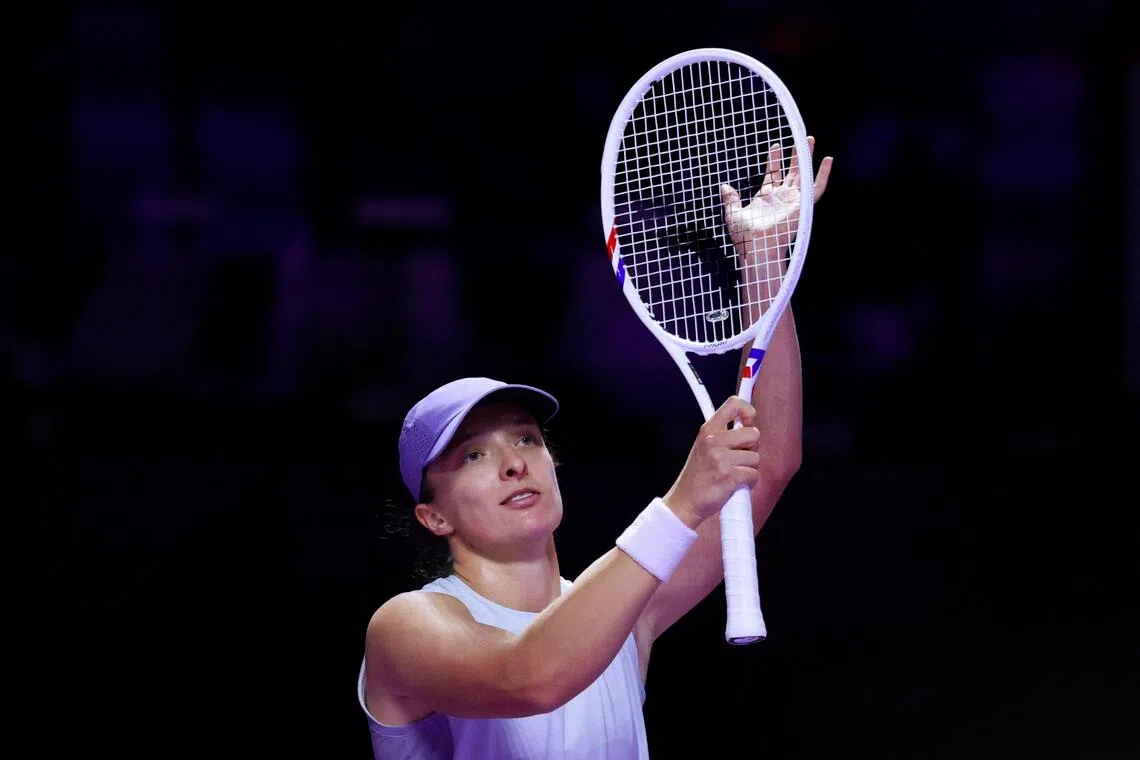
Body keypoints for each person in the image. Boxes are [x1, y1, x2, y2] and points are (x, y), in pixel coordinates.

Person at [357, 140, 833, 759]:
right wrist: (681, 504)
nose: (513, 461)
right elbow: (529, 678)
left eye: (526, 437)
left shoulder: (623, 613)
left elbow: (767, 464)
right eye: (472, 455)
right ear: (434, 515)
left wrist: (766, 266)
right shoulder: (406, 628)